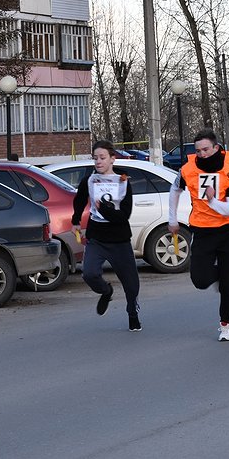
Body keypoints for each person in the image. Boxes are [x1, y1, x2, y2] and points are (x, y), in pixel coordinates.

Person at [168, 129, 229, 342]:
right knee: (200, 280)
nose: (202, 154)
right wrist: (172, 219)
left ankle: (226, 325)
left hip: (227, 232)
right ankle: (220, 275)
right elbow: (174, 190)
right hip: (202, 231)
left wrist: (212, 201)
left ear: (216, 148)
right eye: (198, 150)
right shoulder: (188, 169)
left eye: (206, 149)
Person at [71, 140, 141, 331]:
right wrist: (76, 220)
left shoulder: (123, 181)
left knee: (131, 284)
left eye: (102, 158)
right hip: (97, 237)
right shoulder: (89, 180)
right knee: (89, 273)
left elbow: (124, 215)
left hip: (119, 238)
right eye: (95, 158)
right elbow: (79, 200)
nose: (98, 162)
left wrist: (106, 209)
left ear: (112, 159)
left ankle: (132, 312)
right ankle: (106, 290)